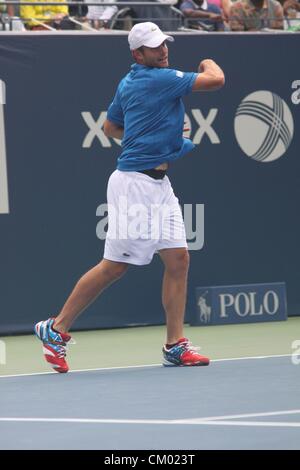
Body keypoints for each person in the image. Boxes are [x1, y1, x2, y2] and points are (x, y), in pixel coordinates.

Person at [34, 22, 225, 373]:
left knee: (179, 259)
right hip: (134, 185)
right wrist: (208, 61)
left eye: (164, 44)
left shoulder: (129, 82)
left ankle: (175, 345)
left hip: (158, 185)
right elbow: (216, 80)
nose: (163, 50)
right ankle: (56, 328)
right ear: (138, 54)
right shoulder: (159, 79)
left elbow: (110, 128)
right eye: (154, 47)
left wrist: (151, 136)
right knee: (115, 266)